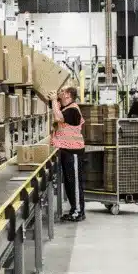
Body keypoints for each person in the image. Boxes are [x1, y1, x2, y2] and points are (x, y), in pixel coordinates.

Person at [52, 86, 86, 222]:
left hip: (74, 152)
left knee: (75, 184)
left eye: (62, 91)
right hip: (67, 151)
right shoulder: (66, 108)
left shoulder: (73, 109)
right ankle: (74, 210)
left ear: (68, 95)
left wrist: (54, 100)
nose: (60, 92)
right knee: (69, 183)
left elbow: (58, 117)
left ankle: (78, 212)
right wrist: (54, 100)